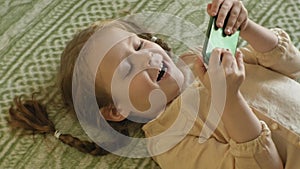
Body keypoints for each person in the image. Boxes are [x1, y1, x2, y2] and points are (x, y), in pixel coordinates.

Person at [8, 0, 300, 168]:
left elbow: (290, 67)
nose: (145, 58)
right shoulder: (167, 142)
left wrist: (246, 26)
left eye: (138, 45)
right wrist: (229, 98)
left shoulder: (203, 60)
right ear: (116, 110)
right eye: (126, 69)